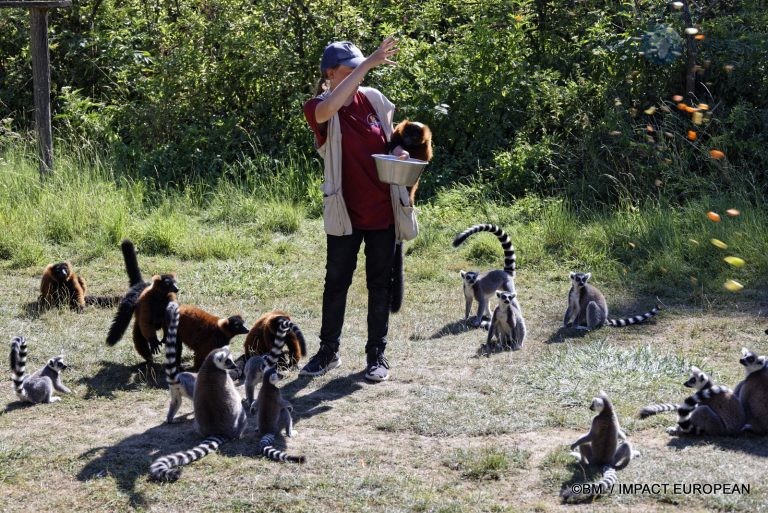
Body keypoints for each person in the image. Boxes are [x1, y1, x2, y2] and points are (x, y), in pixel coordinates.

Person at [300, 38, 417, 382]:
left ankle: (376, 357)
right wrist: (368, 63)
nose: (357, 75)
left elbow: (388, 140)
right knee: (336, 283)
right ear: (330, 73)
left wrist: (398, 154)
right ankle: (328, 352)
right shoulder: (318, 107)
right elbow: (327, 110)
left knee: (380, 285)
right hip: (345, 212)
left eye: (358, 68)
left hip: (382, 210)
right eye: (349, 69)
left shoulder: (374, 100)